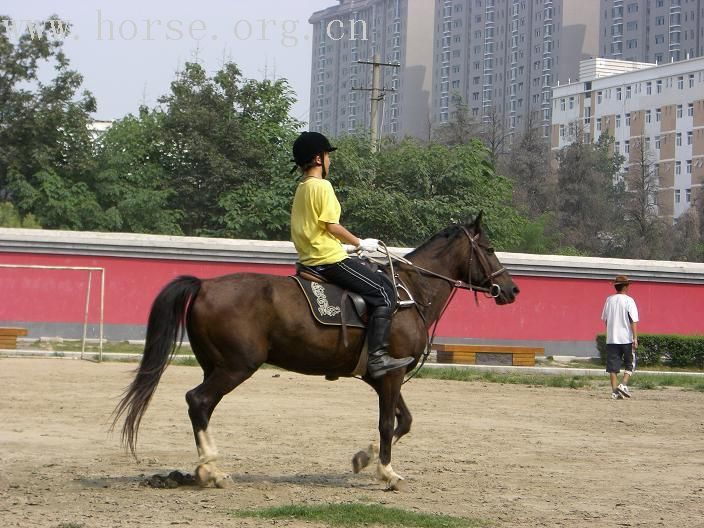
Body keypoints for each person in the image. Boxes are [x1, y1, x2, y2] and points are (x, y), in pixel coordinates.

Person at [289, 131, 414, 379]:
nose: (329, 161)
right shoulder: (322, 186)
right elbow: (330, 225)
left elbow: (314, 228)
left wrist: (344, 247)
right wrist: (360, 243)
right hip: (327, 260)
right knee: (384, 292)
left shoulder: (302, 188)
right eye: (327, 155)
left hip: (312, 257)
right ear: (317, 159)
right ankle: (377, 358)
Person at [601, 275, 639, 399]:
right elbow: (633, 320)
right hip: (625, 338)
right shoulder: (629, 300)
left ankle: (614, 391)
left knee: (612, 367)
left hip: (612, 338)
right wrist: (635, 338)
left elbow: (605, 319)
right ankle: (623, 384)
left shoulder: (609, 300)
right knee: (630, 363)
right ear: (626, 286)